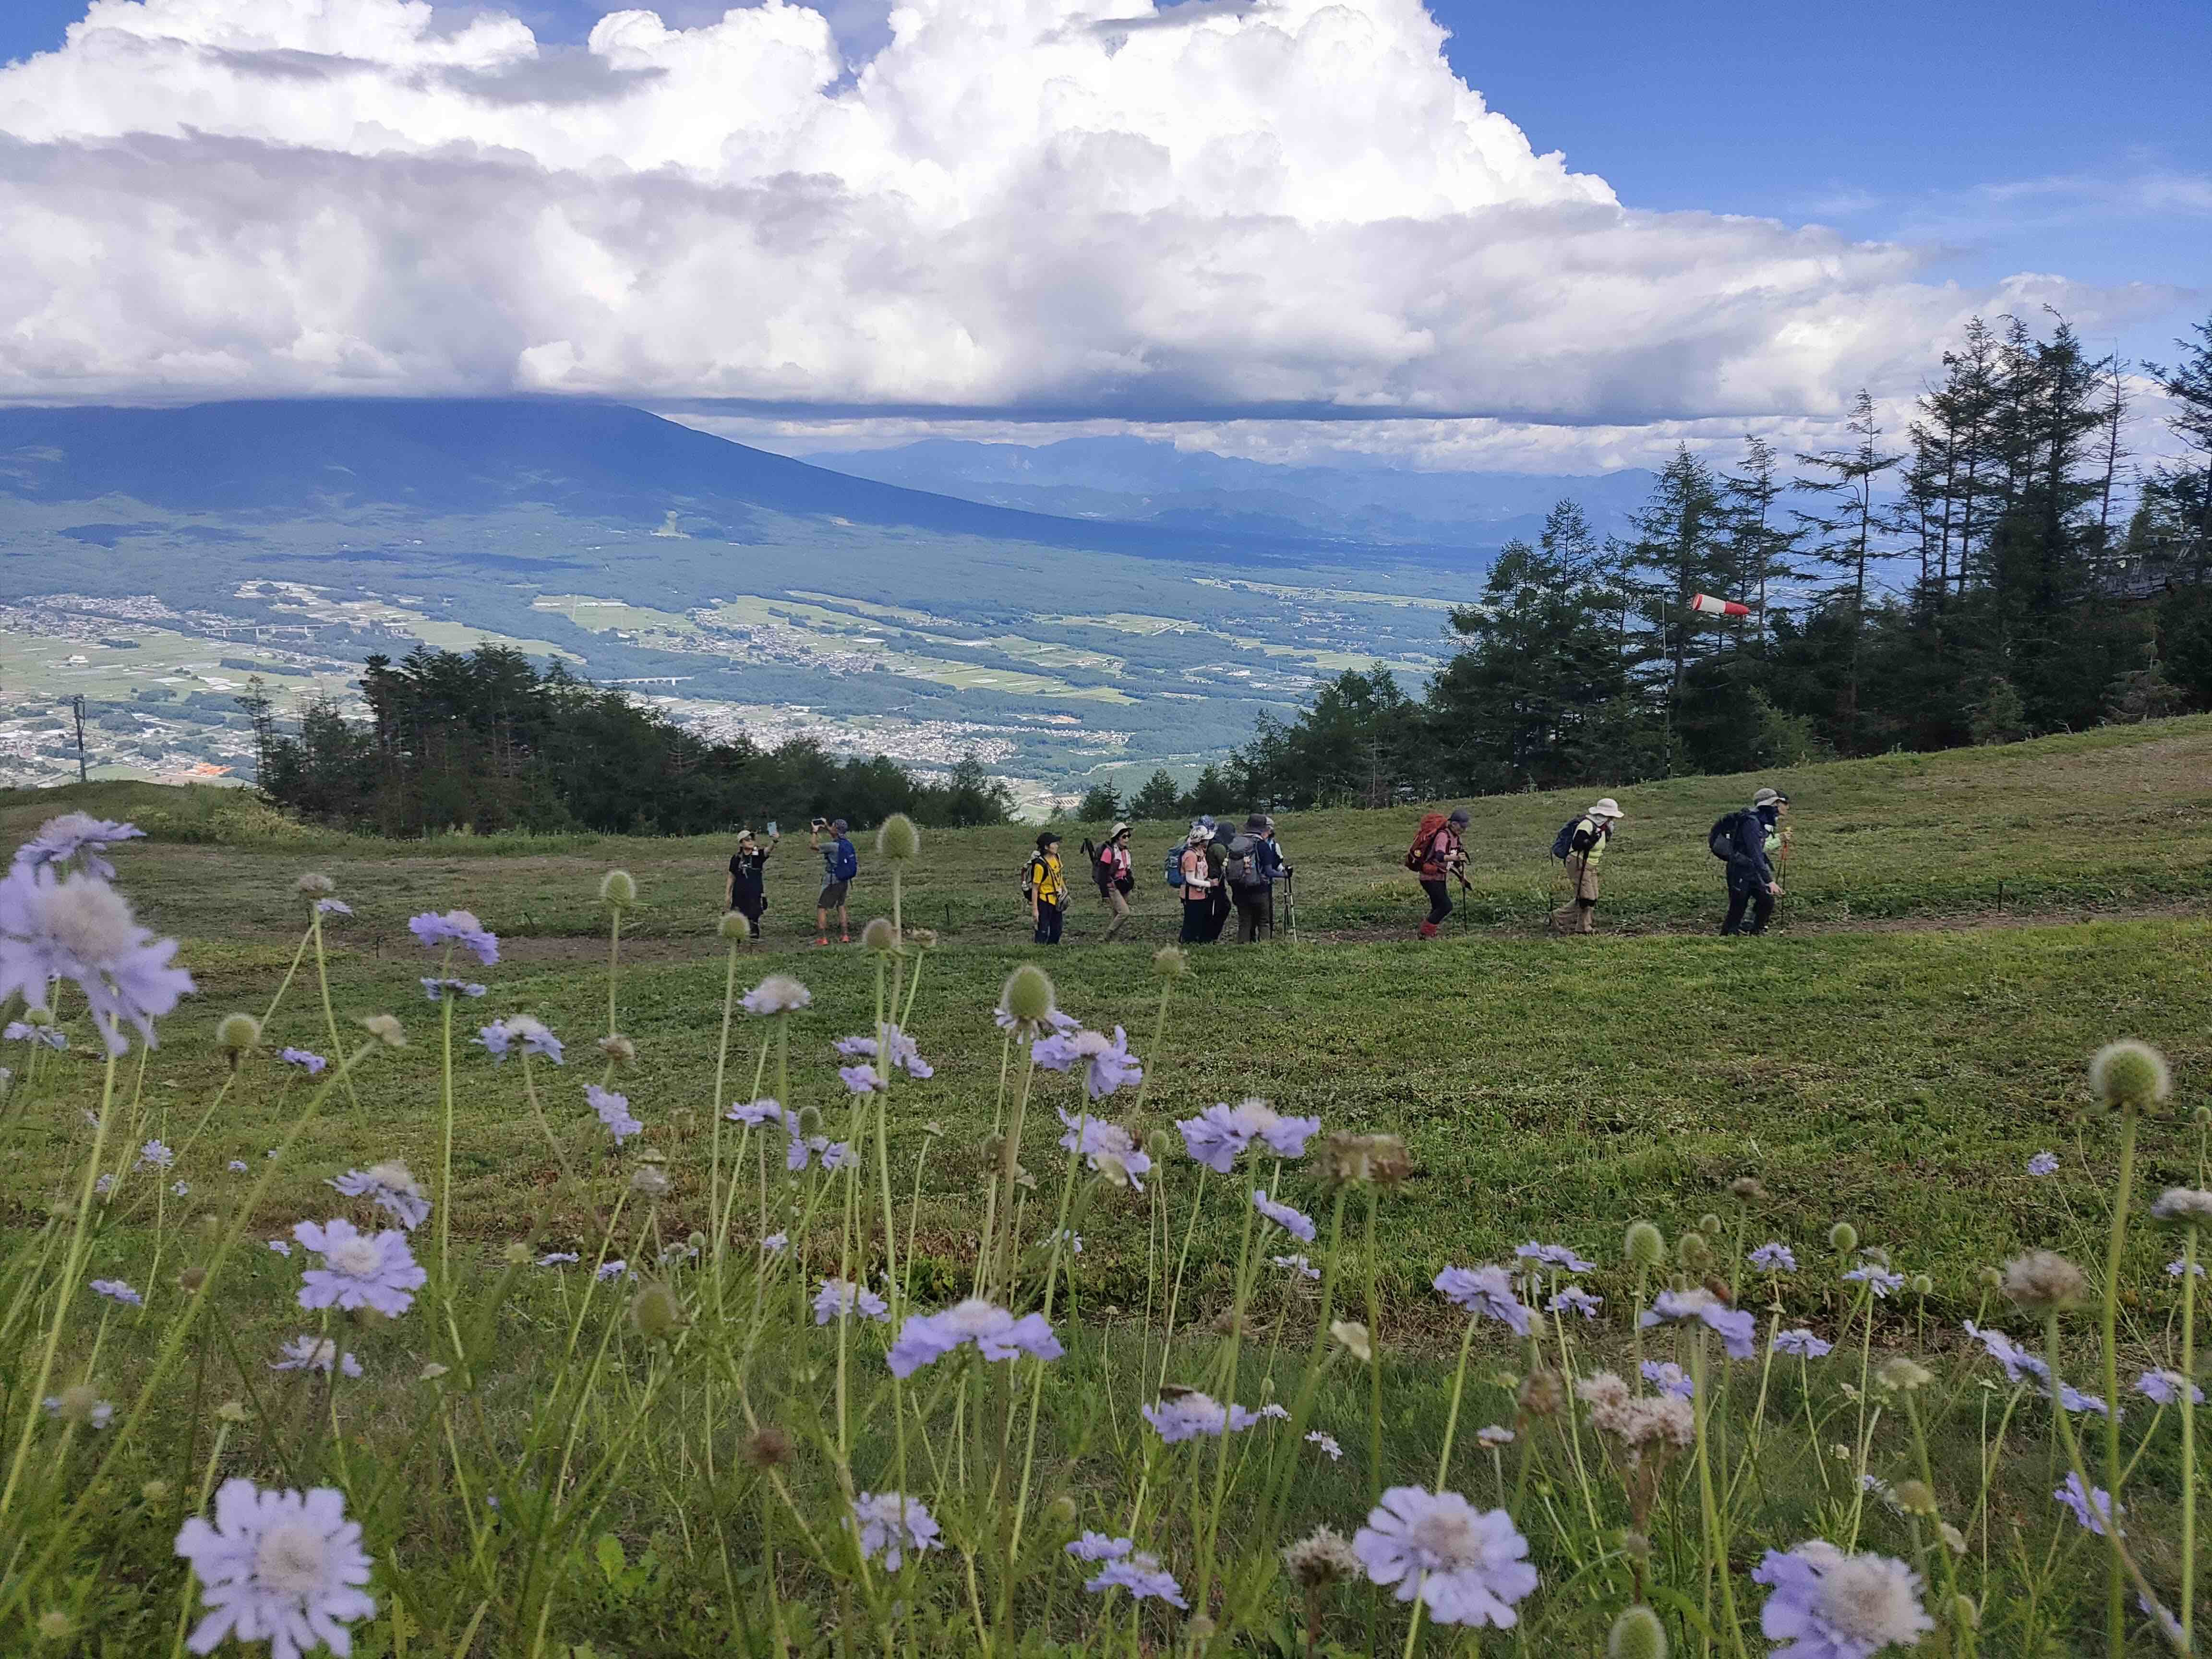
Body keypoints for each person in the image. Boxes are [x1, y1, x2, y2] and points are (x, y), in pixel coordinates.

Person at [1719, 787, 1787, 936]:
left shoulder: (1761, 821)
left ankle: (1756, 932)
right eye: (1776, 804)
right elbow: (1755, 853)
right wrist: (1770, 881)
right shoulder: (1752, 822)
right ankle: (1727, 937)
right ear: (1769, 805)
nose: (1778, 807)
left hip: (1751, 868)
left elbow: (1759, 850)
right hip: (1739, 870)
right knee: (1738, 908)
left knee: (1767, 900)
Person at [1550, 799, 1623, 935]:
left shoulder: (1604, 827)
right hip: (1579, 862)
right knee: (1586, 898)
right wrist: (1590, 841)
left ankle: (1584, 927)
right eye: (1611, 816)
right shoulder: (1587, 824)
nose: (1613, 819)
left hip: (1591, 865)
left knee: (1592, 897)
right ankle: (1558, 917)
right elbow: (1578, 844)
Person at [1226, 813, 1284, 944]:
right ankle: (1265, 947)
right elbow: (1269, 871)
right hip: (1259, 889)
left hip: (1239, 888)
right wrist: (1284, 875)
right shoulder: (1262, 845)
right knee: (1264, 921)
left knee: (1245, 921)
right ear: (1263, 829)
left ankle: (1243, 947)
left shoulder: (1237, 843)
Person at [1413, 807, 1469, 939]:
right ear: (1454, 823)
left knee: (1438, 906)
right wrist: (1455, 858)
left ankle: (1428, 933)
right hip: (1429, 877)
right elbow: (1439, 856)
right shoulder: (1443, 836)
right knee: (1446, 906)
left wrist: (1462, 873)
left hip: (1440, 876)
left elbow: (1455, 856)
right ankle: (1425, 932)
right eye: (1462, 827)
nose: (1464, 830)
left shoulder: (1455, 837)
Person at [810, 817, 859, 946]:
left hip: (832, 880)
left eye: (833, 826)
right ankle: (845, 935)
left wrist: (815, 832)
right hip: (844, 880)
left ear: (836, 829)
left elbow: (814, 846)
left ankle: (823, 938)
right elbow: (834, 833)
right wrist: (826, 825)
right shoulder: (848, 844)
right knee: (841, 906)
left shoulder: (833, 846)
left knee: (821, 907)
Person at [1085, 822, 1135, 941]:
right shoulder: (1109, 852)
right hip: (1112, 886)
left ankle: (1114, 940)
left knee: (1116, 913)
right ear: (1117, 837)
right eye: (1124, 836)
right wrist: (1105, 894)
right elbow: (1102, 874)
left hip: (1124, 885)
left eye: (1128, 836)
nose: (1127, 839)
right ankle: (1107, 936)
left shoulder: (1125, 851)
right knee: (1124, 913)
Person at [725, 827, 776, 938]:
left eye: (752, 839)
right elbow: (731, 876)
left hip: (755, 895)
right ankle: (738, 945)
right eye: (747, 839)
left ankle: (753, 947)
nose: (751, 841)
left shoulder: (757, 854)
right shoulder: (736, 858)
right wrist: (728, 894)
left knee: (754, 921)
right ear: (741, 843)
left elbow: (767, 851)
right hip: (739, 895)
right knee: (738, 921)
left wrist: (774, 841)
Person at [1027, 831, 1067, 945]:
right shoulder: (1040, 866)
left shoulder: (1057, 858)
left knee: (1057, 930)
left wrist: (1065, 890)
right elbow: (1035, 889)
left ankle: (1051, 950)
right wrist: (1035, 910)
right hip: (1044, 901)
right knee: (1043, 930)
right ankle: (1039, 950)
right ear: (1046, 847)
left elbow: (1059, 875)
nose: (1057, 846)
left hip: (1057, 900)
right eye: (1054, 843)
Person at [1177, 826, 1215, 943]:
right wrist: (1209, 884)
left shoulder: (1200, 853)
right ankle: (1188, 942)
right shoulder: (1191, 856)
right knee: (1192, 920)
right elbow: (1190, 879)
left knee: (1198, 919)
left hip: (1200, 894)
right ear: (1202, 841)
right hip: (1191, 895)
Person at [1202, 822, 1233, 942]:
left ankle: (1208, 937)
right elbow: (1225, 866)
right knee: (1223, 907)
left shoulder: (1213, 844)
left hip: (1207, 882)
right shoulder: (1219, 847)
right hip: (1215, 883)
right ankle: (1211, 937)